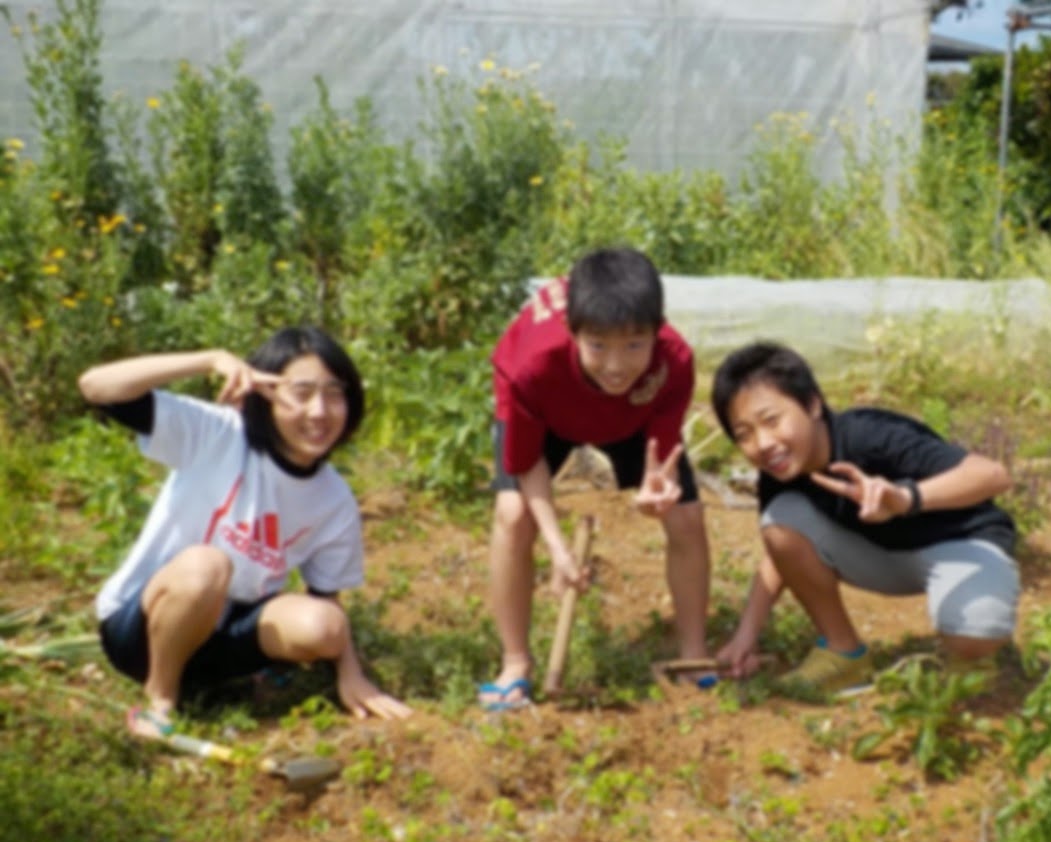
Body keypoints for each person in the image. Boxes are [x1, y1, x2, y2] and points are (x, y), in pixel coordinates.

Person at [79, 326, 412, 739]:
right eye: (302, 393)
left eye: (333, 393)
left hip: (225, 638)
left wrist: (351, 674)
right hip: (143, 633)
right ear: (264, 392)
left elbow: (328, 598)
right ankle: (161, 698)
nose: (319, 411)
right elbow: (96, 386)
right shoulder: (217, 433)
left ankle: (228, 682)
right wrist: (209, 358)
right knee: (207, 566)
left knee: (324, 627)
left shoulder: (334, 498)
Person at [710, 341, 1019, 699]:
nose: (762, 444)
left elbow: (994, 475)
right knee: (779, 521)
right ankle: (844, 654)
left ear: (812, 404)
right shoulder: (779, 473)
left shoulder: (871, 435)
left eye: (770, 420)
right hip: (881, 559)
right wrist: (745, 636)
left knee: (974, 633)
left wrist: (905, 499)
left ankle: (975, 658)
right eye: (744, 434)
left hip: (959, 544)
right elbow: (780, 552)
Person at [482, 247, 712, 709]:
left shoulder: (673, 361)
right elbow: (527, 462)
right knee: (512, 514)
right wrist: (557, 548)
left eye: (634, 345)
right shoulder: (533, 366)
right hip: (548, 412)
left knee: (687, 517)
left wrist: (656, 488)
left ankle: (694, 653)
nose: (616, 364)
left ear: (657, 329)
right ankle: (515, 663)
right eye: (599, 345)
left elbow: (660, 451)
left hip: (629, 416)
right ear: (573, 334)